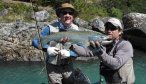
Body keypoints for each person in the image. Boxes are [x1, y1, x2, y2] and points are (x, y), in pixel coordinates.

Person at [32, 3, 90, 84]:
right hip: (52, 68)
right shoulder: (49, 28)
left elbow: (82, 48)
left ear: (73, 16)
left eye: (70, 13)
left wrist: (70, 53)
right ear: (60, 15)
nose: (67, 15)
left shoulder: (77, 30)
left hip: (69, 67)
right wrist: (47, 48)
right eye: (64, 12)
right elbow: (35, 41)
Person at [66, 18, 135, 84]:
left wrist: (99, 51)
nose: (109, 30)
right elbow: (86, 52)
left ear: (120, 31)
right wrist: (71, 45)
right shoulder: (105, 44)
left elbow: (115, 64)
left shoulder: (125, 45)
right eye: (107, 27)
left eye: (113, 28)